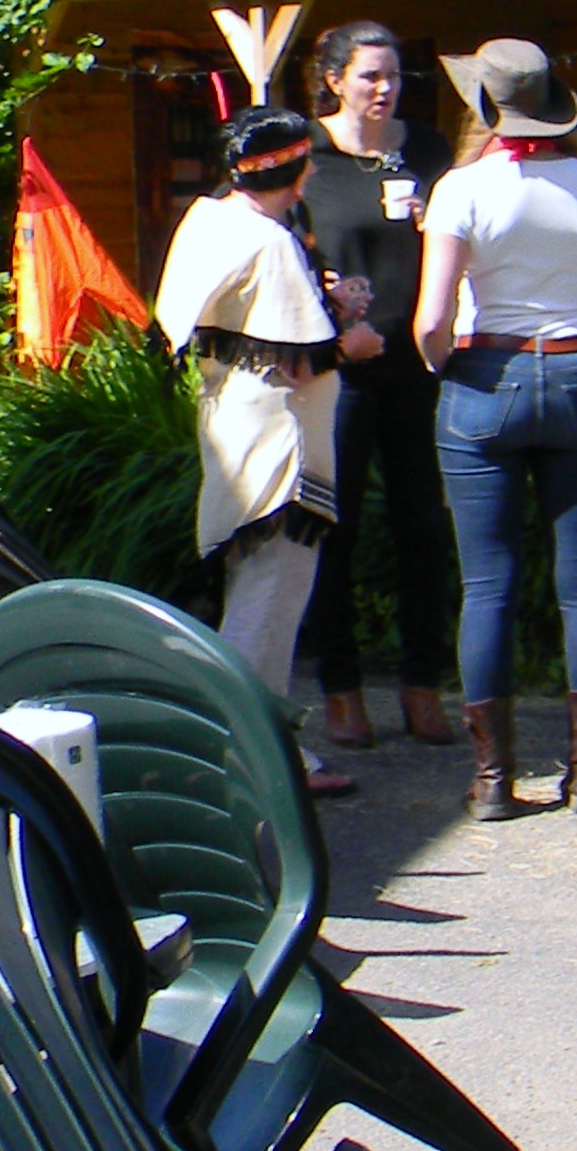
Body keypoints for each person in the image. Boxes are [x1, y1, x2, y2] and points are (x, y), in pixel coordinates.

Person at [412, 39, 577, 823]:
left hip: (487, 372)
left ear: (487, 107)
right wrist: (573, 309)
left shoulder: (461, 189)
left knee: (489, 585)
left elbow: (432, 321)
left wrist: (447, 368)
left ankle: (492, 782)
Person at [153, 107, 356, 795]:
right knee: (269, 600)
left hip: (231, 423)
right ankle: (257, 757)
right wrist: (354, 338)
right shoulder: (270, 242)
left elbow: (240, 325)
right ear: (295, 170)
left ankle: (244, 745)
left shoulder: (209, 218)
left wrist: (325, 304)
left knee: (255, 590)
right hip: (278, 445)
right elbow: (303, 360)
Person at [297, 20, 456, 755]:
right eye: (370, 76)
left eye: (393, 75)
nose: (385, 88)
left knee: (424, 527)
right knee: (336, 529)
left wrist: (439, 224)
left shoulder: (424, 151)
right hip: (342, 369)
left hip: (418, 365)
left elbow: (462, 240)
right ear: (334, 80)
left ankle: (423, 685)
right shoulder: (307, 154)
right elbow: (278, 247)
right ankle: (341, 691)